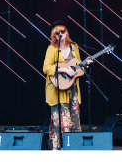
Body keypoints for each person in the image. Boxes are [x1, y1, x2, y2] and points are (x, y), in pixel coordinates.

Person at [43, 21, 90, 150]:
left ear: (66, 32)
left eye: (62, 31)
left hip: (73, 89)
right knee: (59, 120)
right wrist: (64, 70)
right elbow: (46, 68)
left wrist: (83, 66)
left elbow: (79, 68)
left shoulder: (74, 47)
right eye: (57, 32)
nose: (60, 34)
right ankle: (57, 147)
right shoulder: (52, 49)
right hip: (57, 89)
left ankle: (72, 146)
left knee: (74, 118)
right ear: (54, 35)